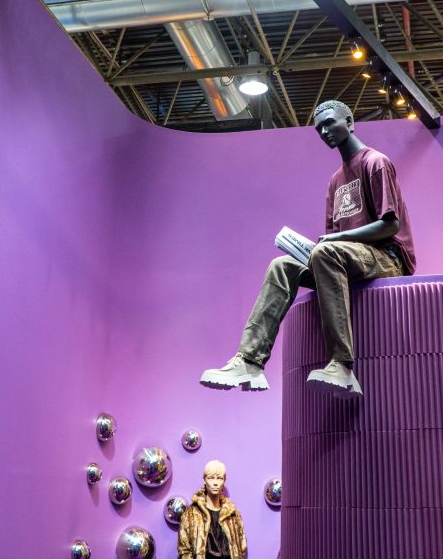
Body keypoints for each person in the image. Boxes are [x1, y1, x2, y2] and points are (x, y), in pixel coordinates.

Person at [200, 99, 415, 398]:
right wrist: (321, 246)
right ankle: (250, 361)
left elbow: (390, 225)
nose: (324, 131)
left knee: (325, 252)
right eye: (319, 129)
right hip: (348, 260)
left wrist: (334, 242)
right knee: (281, 266)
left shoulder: (375, 162)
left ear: (349, 122)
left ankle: (342, 365)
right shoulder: (335, 181)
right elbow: (334, 242)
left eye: (330, 123)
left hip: (387, 258)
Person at [177, 460, 247, 559]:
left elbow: (241, 547)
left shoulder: (233, 515)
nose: (215, 483)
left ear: (224, 481)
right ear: (204, 480)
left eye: (219, 478)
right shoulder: (191, 515)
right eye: (211, 478)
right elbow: (184, 550)